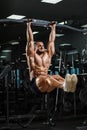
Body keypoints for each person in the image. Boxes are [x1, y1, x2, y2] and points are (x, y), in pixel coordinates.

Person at [25, 20, 78, 94]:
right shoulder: (32, 56)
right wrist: (28, 25)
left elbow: (51, 41)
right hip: (36, 84)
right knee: (46, 77)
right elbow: (30, 41)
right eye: (39, 46)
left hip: (47, 84)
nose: (42, 47)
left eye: (42, 45)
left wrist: (53, 28)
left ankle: (70, 86)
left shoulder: (48, 54)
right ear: (35, 48)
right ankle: (64, 85)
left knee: (57, 77)